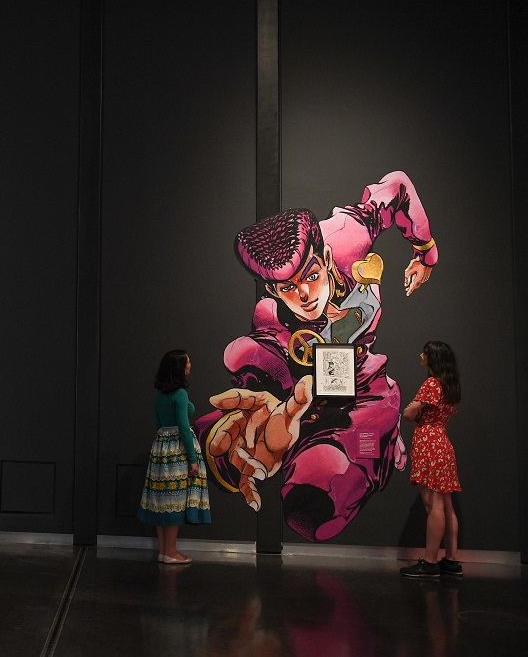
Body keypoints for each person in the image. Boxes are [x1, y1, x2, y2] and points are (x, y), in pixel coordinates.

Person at [194, 171, 438, 541]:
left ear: (324, 256)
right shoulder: (270, 320)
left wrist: (425, 250)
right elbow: (261, 375)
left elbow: (398, 187)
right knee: (215, 439)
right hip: (306, 405)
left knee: (314, 501)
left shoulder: (346, 237)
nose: (304, 295)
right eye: (288, 288)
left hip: (364, 392)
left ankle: (377, 447)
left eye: (309, 276)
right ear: (274, 291)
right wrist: (257, 427)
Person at [139, 350, 211, 564]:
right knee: (175, 500)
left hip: (160, 447)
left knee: (162, 501)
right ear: (180, 368)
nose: (191, 364)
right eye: (188, 362)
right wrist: (192, 459)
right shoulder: (180, 393)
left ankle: (163, 550)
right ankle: (171, 551)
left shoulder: (160, 393)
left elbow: (159, 422)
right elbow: (183, 426)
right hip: (177, 450)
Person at [400, 341, 463, 578]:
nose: (420, 355)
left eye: (424, 353)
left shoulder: (432, 383)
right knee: (446, 504)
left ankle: (429, 562)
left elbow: (409, 412)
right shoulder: (450, 385)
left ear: (432, 358)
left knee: (433, 504)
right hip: (443, 442)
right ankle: (452, 560)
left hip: (429, 441)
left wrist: (412, 411)